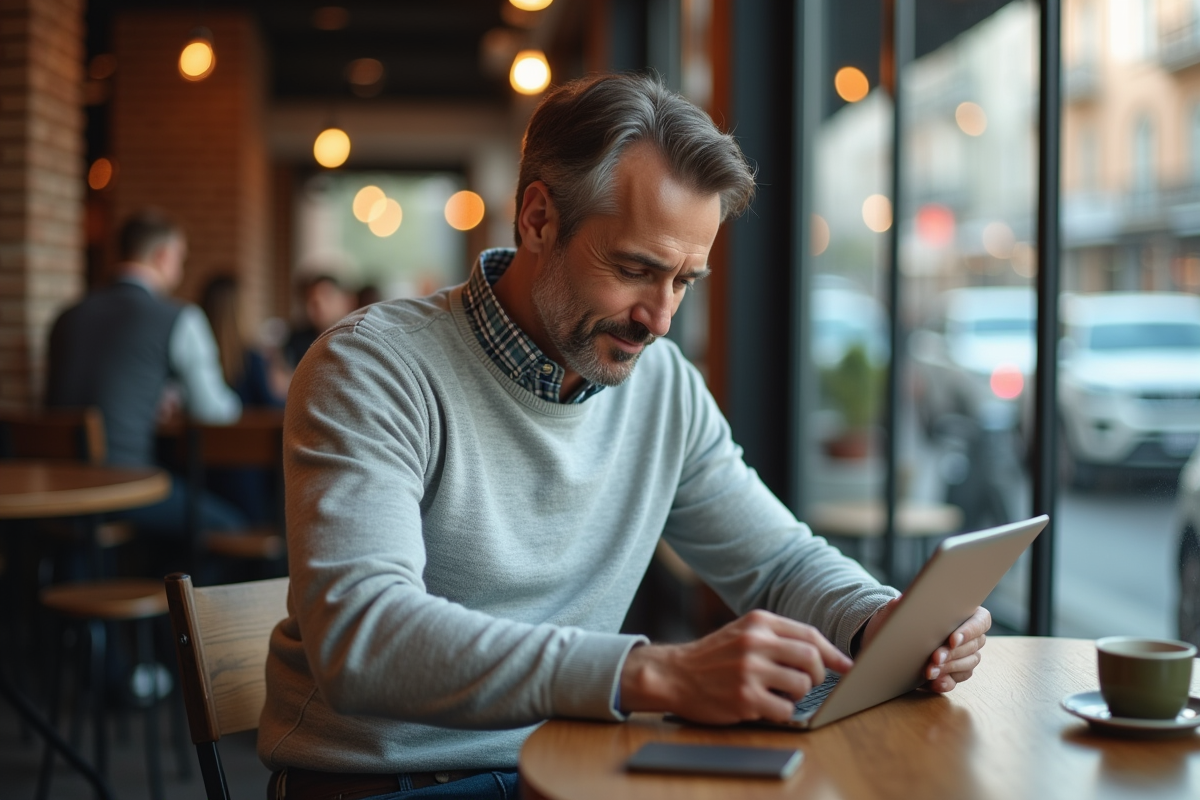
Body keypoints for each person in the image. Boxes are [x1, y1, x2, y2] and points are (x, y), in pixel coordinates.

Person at [259, 74, 990, 799]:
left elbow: (775, 564)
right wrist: (656, 674)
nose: (660, 318)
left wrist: (879, 621)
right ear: (539, 219)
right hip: (396, 783)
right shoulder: (373, 367)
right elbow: (362, 637)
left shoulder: (663, 387)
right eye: (637, 270)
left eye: (684, 281)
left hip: (580, 767)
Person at [46, 209, 245, 541]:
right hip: (123, 487)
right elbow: (215, 413)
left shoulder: (67, 316)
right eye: (180, 258)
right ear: (163, 255)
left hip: (56, 486)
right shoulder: (179, 317)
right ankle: (177, 593)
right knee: (230, 528)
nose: (180, 270)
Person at [282, 273, 355, 369]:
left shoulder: (355, 338)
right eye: (313, 302)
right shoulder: (296, 341)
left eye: (327, 298)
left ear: (346, 301)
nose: (321, 307)